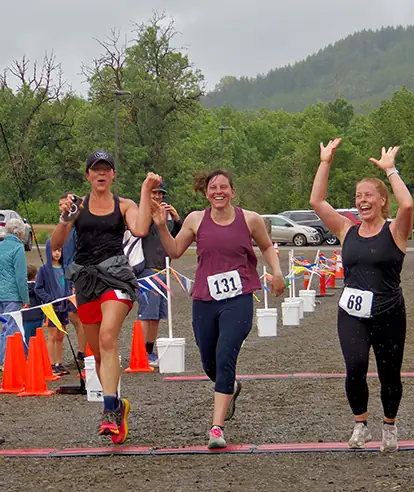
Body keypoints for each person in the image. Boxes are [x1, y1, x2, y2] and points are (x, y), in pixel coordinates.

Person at [152, 169, 286, 449]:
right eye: (213, 188)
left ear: (232, 192)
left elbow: (266, 246)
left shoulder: (250, 219)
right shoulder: (195, 220)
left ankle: (216, 427)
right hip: (204, 298)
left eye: (224, 187)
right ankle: (230, 386)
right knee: (209, 361)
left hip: (239, 298)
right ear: (206, 193)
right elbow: (175, 251)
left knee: (226, 355)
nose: (218, 192)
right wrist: (162, 227)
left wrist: (276, 271)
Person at [309, 138, 414, 453]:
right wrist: (325, 162)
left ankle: (390, 426)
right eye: (358, 196)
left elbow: (407, 205)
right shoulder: (345, 229)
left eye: (369, 195)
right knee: (354, 366)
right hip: (352, 312)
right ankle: (360, 425)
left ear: (382, 200)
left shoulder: (396, 230)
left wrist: (391, 170)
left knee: (388, 373)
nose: (362, 201)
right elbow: (317, 201)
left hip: (389, 312)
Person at [51, 150, 158, 445]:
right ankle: (118, 406)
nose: (100, 174)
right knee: (98, 352)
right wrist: (65, 218)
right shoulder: (77, 207)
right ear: (87, 176)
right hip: (86, 280)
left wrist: (146, 192)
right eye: (95, 169)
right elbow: (56, 245)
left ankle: (108, 411)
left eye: (106, 169)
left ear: (112, 175)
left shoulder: (124, 205)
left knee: (109, 337)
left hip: (116, 277)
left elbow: (140, 228)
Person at [137, 181, 183, 368]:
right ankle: (140, 352)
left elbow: (177, 239)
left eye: (160, 194)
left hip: (163, 268)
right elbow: (140, 231)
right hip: (147, 268)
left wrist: (177, 220)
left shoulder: (166, 217)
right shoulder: (142, 214)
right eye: (153, 193)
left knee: (157, 314)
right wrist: (150, 211)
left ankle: (149, 349)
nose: (157, 197)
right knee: (146, 313)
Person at [0, 218, 29, 371]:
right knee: (12, 328)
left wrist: (0, 281)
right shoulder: (18, 248)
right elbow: (21, 277)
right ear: (20, 233)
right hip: (13, 295)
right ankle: (5, 360)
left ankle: (3, 359)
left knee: (6, 327)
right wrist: (25, 298)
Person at [35, 239, 72, 376]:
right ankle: (50, 364)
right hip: (51, 308)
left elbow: (69, 286)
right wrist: (49, 299)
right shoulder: (44, 270)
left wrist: (69, 297)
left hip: (64, 307)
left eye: (59, 250)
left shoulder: (65, 269)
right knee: (52, 336)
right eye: (54, 250)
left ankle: (59, 362)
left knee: (61, 335)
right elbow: (38, 288)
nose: (57, 253)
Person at [59, 197, 88, 362]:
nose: (62, 206)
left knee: (78, 316)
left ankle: (83, 351)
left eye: (65, 204)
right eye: (60, 204)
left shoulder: (78, 228)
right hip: (64, 275)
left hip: (77, 275)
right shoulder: (63, 228)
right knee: (70, 315)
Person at [23, 264, 44, 356]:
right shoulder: (38, 287)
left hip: (25, 317)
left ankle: (27, 356)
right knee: (36, 337)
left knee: (26, 338)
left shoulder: (22, 289)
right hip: (38, 316)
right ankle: (36, 355)